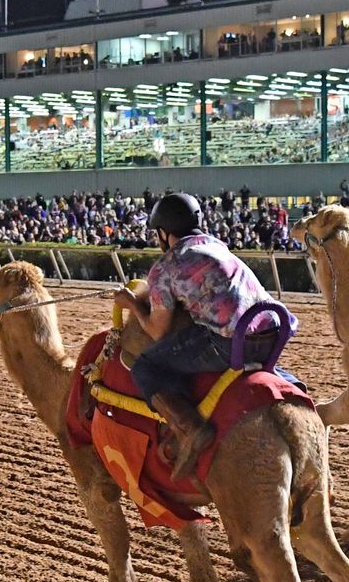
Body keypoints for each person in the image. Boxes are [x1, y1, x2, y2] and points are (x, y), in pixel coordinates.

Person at [114, 192, 298, 480]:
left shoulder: (166, 266)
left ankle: (189, 427)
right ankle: (294, 388)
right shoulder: (218, 246)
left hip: (230, 343)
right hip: (273, 334)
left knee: (147, 366)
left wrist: (132, 305)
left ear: (163, 232)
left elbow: (157, 330)